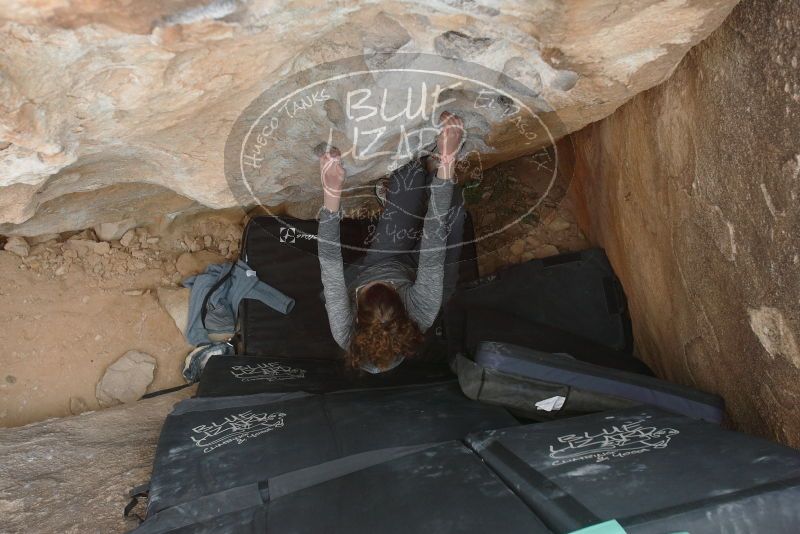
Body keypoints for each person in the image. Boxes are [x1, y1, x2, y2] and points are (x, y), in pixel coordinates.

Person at [317, 111, 465, 373]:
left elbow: (330, 264)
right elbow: (434, 238)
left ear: (357, 306)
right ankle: (433, 169)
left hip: (381, 262)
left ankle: (407, 192)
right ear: (402, 304)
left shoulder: (343, 330)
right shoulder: (423, 311)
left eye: (375, 287)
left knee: (408, 176)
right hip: (426, 272)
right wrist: (447, 159)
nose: (385, 282)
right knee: (452, 211)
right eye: (388, 287)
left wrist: (331, 192)